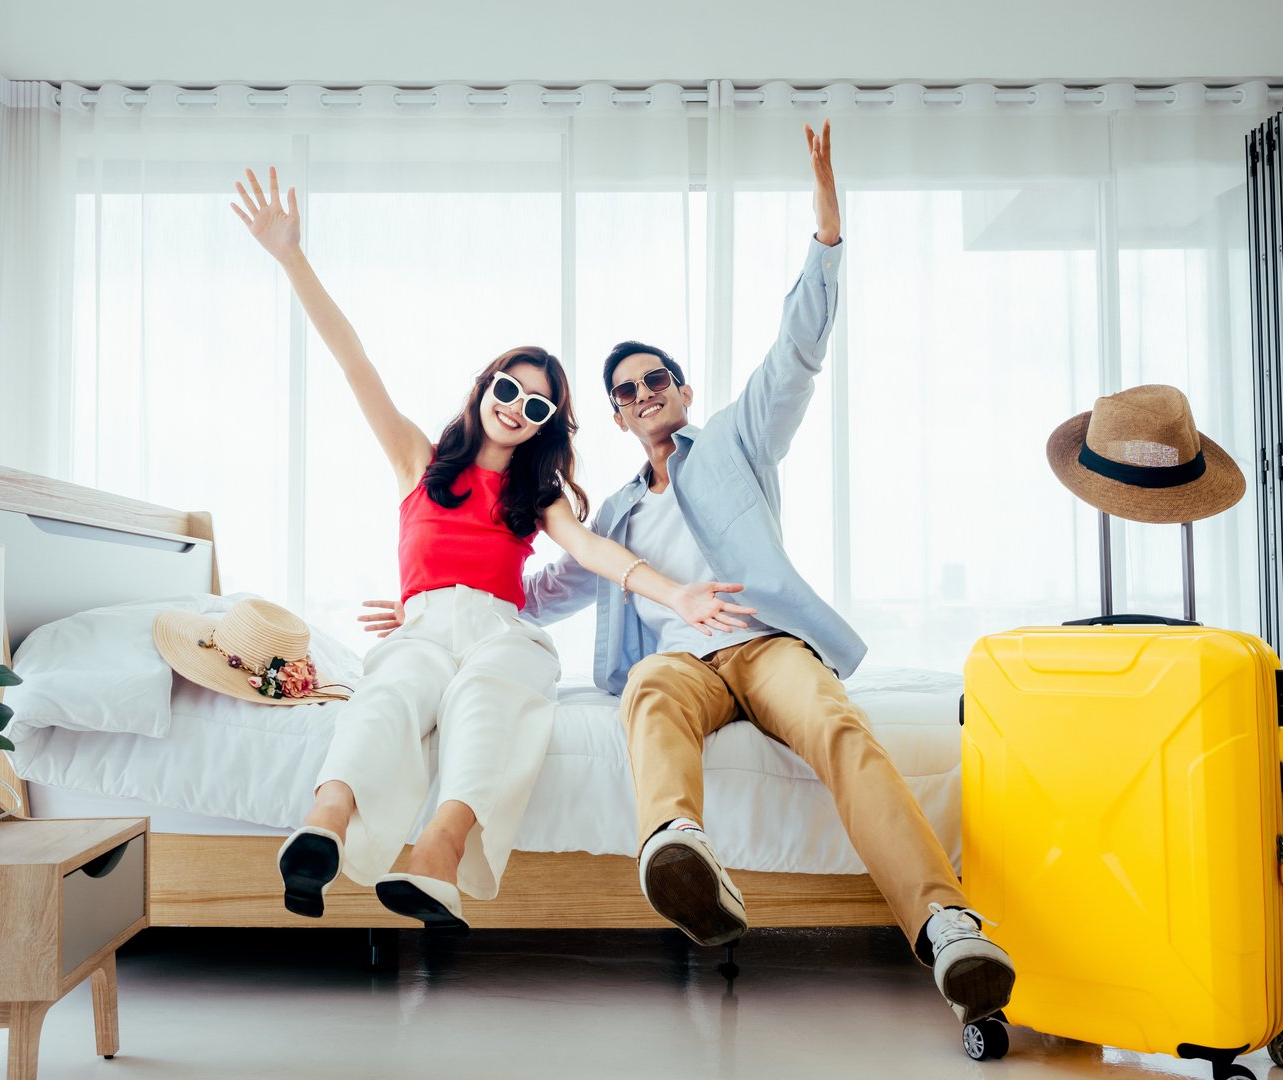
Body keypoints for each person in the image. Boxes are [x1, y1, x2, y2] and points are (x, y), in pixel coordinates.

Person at [368, 120, 1016, 1024]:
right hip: (683, 660)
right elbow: (542, 589)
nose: (643, 395)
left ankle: (946, 926)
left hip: (765, 646)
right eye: (625, 392)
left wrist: (827, 228)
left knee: (840, 728)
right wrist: (433, 610)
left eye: (656, 379)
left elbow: (798, 350)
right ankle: (679, 851)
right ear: (617, 417)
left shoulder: (737, 446)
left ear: (682, 389)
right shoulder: (618, 515)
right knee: (647, 693)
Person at [231, 167, 756, 927]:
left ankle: (436, 857)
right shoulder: (419, 462)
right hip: (425, 624)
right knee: (388, 696)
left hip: (501, 630)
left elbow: (594, 551)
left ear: (545, 424)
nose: (517, 407)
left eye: (536, 404)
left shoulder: (534, 498)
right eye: (507, 390)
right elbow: (356, 365)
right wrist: (292, 258)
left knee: (489, 703)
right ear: (483, 390)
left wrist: (673, 593)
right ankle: (323, 827)